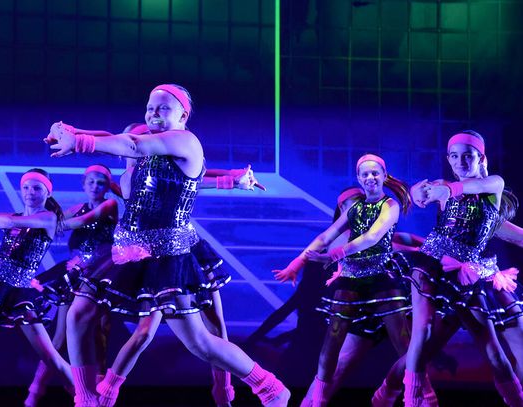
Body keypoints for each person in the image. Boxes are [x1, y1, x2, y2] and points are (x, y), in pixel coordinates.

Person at [45, 83, 290, 407]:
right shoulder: (151, 142)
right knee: (79, 313)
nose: (153, 114)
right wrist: (69, 130)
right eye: (150, 107)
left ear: (183, 115)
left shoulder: (185, 141)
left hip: (167, 256)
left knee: (200, 342)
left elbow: (132, 143)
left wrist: (78, 142)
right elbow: (119, 137)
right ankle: (87, 399)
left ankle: (270, 388)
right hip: (128, 248)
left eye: (163, 108)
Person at [274, 154, 412, 406]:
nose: (370, 178)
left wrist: (431, 251)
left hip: (381, 284)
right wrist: (297, 263)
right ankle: (316, 400)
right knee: (334, 346)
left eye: (375, 173)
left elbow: (378, 237)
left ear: (384, 175)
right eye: (365, 174)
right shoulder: (353, 215)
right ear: (358, 179)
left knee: (407, 347)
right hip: (354, 287)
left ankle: (405, 394)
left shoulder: (389, 206)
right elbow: (325, 238)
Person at [401, 130, 523, 406]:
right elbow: (424, 191)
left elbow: (470, 188)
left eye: (467, 156)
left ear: (481, 158)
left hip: (467, 275)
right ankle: (408, 399)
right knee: (422, 333)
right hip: (432, 265)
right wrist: (417, 192)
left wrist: (448, 190)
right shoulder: (445, 186)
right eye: (454, 157)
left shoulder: (493, 184)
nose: (460, 162)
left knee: (494, 352)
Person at [24, 165, 119, 407]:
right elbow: (58, 219)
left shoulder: (109, 205)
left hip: (101, 275)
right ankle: (35, 391)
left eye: (100, 183)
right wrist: (37, 215)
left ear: (107, 187)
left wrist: (49, 222)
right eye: (91, 182)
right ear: (83, 184)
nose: (95, 186)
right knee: (59, 338)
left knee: (100, 333)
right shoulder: (77, 207)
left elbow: (81, 222)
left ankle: (96, 392)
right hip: (75, 275)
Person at [0, 169, 73, 393]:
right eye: (25, 187)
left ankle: (86, 397)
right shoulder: (11, 217)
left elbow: (7, 222)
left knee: (52, 359)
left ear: (48, 193)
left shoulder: (48, 218)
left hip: (19, 294)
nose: (30, 192)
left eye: (36, 188)